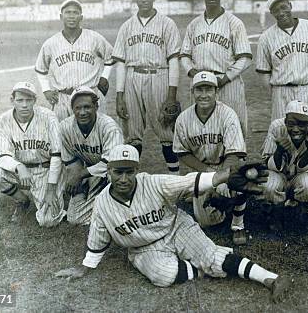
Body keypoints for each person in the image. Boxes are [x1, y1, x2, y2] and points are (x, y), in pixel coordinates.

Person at [54, 145, 293, 303]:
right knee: (163, 276)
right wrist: (84, 268)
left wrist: (226, 175)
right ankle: (210, 264)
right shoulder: (103, 205)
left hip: (177, 228)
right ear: (108, 171)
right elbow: (97, 241)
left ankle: (270, 278)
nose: (123, 178)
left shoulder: (154, 183)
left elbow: (190, 182)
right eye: (118, 172)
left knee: (211, 255)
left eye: (129, 172)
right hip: (144, 248)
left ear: (137, 170)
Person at [112, 0, 181, 173]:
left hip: (159, 75)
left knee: (166, 130)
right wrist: (119, 95)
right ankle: (131, 179)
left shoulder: (167, 24)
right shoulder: (126, 26)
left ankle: (175, 178)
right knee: (132, 134)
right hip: (132, 77)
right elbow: (120, 63)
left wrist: (171, 95)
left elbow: (174, 59)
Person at [172, 72, 248, 245]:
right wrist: (209, 174)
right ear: (193, 92)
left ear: (216, 92)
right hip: (202, 168)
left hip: (227, 164)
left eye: (208, 89)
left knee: (242, 177)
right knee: (207, 222)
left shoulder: (228, 115)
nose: (204, 95)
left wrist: (221, 178)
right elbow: (182, 152)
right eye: (199, 89)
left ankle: (238, 224)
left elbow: (235, 153)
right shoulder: (183, 119)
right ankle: (219, 202)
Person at [180, 0, 252, 136]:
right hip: (201, 84)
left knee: (234, 126)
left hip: (227, 83)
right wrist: (194, 74)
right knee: (201, 130)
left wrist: (225, 78)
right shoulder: (194, 24)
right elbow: (184, 55)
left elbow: (245, 58)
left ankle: (235, 160)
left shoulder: (234, 23)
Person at [0, 81, 65, 226]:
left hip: (45, 170)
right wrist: (18, 166)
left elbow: (57, 155)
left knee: (48, 221)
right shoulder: (4, 119)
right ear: (12, 100)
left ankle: (56, 194)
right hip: (21, 171)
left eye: (29, 100)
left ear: (35, 100)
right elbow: (0, 153)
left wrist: (50, 189)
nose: (24, 105)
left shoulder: (49, 117)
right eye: (20, 100)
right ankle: (22, 200)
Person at [256, 0, 308, 123]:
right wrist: (276, 94)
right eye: (276, 10)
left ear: (290, 6)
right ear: (272, 13)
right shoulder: (266, 37)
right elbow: (264, 73)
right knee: (285, 135)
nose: (281, 12)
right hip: (283, 92)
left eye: (284, 7)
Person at [35, 0, 114, 121]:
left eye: (75, 13)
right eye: (68, 12)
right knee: (62, 136)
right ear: (61, 16)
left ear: (81, 17)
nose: (71, 16)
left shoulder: (94, 38)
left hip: (90, 95)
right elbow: (40, 69)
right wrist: (46, 90)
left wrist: (104, 77)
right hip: (63, 97)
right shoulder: (51, 43)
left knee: (94, 135)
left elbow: (111, 57)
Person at [259, 100, 308, 231]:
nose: (296, 129)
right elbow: (266, 164)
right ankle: (275, 213)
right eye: (291, 124)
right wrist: (279, 151)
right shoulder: (276, 127)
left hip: (303, 175)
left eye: (302, 124)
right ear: (285, 122)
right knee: (269, 184)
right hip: (279, 174)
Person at [60, 87, 123, 225]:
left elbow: (111, 163)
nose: (82, 112)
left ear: (96, 106)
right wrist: (75, 178)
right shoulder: (65, 127)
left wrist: (79, 175)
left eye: (87, 107)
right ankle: (105, 207)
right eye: (78, 108)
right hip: (89, 172)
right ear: (72, 108)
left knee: (116, 180)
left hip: (114, 172)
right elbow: (71, 159)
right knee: (74, 218)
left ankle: (119, 206)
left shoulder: (109, 127)